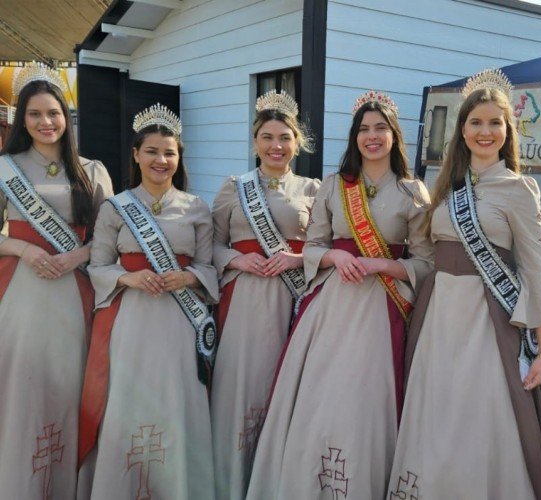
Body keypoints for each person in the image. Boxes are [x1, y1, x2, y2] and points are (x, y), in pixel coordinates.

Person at [388, 69, 541, 499]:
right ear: (462, 131)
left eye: (495, 123)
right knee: (435, 409)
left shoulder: (520, 188)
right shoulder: (446, 187)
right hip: (438, 316)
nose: (485, 131)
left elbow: (536, 267)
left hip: (487, 319)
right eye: (476, 122)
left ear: (507, 131)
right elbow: (427, 255)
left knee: (478, 415)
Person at [245, 91, 434, 499]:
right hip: (330, 307)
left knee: (364, 400)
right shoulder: (334, 185)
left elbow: (426, 262)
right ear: (354, 137)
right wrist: (332, 254)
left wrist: (382, 265)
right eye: (364, 129)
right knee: (320, 397)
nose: (372, 136)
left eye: (380, 128)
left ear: (394, 135)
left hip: (382, 308)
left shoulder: (414, 192)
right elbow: (311, 247)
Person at [77, 104, 217, 500]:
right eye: (152, 151)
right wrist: (128, 276)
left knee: (176, 402)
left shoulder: (197, 208)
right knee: (129, 404)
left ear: (179, 157)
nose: (161, 160)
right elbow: (97, 265)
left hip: (179, 325)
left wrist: (190, 277)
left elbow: (210, 267)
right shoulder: (115, 207)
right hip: (131, 323)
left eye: (169, 152)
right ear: (136, 155)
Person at [0, 62, 113, 499]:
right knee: (22, 390)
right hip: (21, 297)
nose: (46, 123)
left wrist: (76, 257)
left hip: (75, 296)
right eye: (35, 114)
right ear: (21, 120)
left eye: (54, 113)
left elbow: (109, 235)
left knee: (69, 388)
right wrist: (25, 249)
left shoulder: (92, 170)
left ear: (67, 118)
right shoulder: (6, 168)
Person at [210, 90, 320, 499]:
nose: (276, 146)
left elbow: (325, 246)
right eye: (267, 137)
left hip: (291, 304)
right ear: (255, 142)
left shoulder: (313, 188)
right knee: (238, 390)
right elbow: (211, 247)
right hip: (242, 303)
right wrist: (236, 262)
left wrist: (296, 258)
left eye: (285, 137)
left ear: (296, 143)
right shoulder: (232, 188)